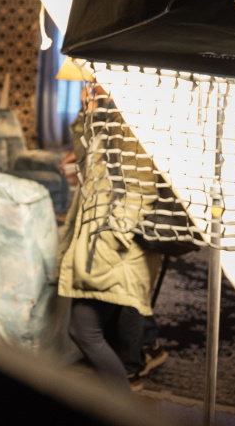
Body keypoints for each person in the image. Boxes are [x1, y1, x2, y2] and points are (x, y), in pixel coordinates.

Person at [57, 85, 165, 391]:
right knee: (87, 330)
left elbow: (142, 188)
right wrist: (87, 114)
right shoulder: (112, 114)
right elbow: (83, 161)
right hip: (97, 244)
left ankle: (124, 408)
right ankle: (122, 402)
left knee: (84, 330)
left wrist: (112, 237)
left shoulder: (133, 119)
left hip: (110, 249)